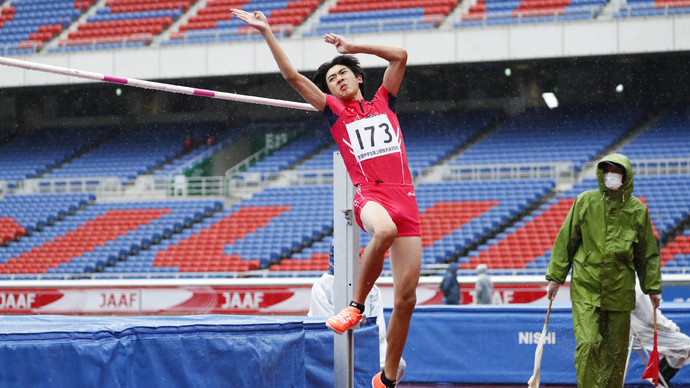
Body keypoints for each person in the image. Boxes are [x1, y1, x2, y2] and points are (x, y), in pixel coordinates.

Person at [232, 9, 421, 388]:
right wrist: (268, 32)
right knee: (381, 232)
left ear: (358, 77)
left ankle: (386, 378)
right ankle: (355, 306)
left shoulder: (385, 100)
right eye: (332, 79)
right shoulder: (335, 113)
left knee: (406, 300)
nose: (337, 80)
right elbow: (291, 77)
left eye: (342, 74)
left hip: (407, 202)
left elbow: (399, 55)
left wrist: (351, 47)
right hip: (371, 198)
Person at [544, 153, 662, 388]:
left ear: (626, 177)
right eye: (607, 170)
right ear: (600, 173)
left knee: (615, 352)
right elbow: (566, 240)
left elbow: (646, 254)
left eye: (617, 171)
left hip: (620, 291)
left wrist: (653, 288)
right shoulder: (585, 201)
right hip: (586, 287)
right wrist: (556, 277)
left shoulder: (638, 210)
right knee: (588, 344)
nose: (611, 176)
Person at [308, 242, 406, 381]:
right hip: (331, 348)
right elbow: (323, 326)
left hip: (366, 343)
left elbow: (378, 328)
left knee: (398, 364)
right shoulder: (322, 285)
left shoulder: (371, 288)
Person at [632, 281, 690, 385]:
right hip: (641, 333)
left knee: (680, 348)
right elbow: (651, 318)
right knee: (687, 345)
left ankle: (660, 377)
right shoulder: (638, 287)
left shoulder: (636, 283)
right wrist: (671, 327)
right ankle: (660, 379)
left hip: (636, 331)